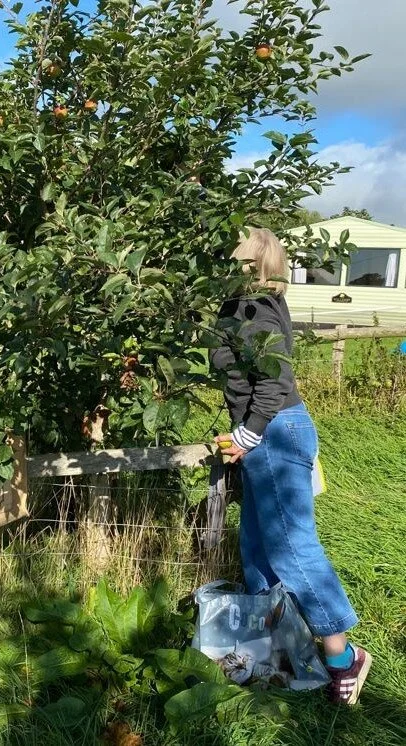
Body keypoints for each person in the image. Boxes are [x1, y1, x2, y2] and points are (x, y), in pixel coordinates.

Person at [210, 227, 371, 705]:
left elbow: (274, 383)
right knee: (257, 546)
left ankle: (344, 657)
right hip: (272, 431)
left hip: (274, 431)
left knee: (291, 549)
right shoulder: (252, 302)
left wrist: (246, 433)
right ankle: (277, 646)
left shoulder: (252, 308)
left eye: (229, 254)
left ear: (248, 262)